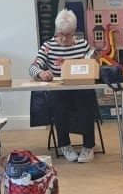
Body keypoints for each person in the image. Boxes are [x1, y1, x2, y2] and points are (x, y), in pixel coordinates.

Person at [30, 10, 98, 163]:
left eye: (68, 35)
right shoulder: (48, 46)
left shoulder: (82, 44)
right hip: (59, 90)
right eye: (61, 34)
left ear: (74, 32)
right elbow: (32, 67)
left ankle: (88, 146)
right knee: (58, 103)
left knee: (86, 99)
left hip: (80, 87)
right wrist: (41, 73)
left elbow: (92, 65)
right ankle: (65, 145)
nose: (64, 38)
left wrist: (93, 64)